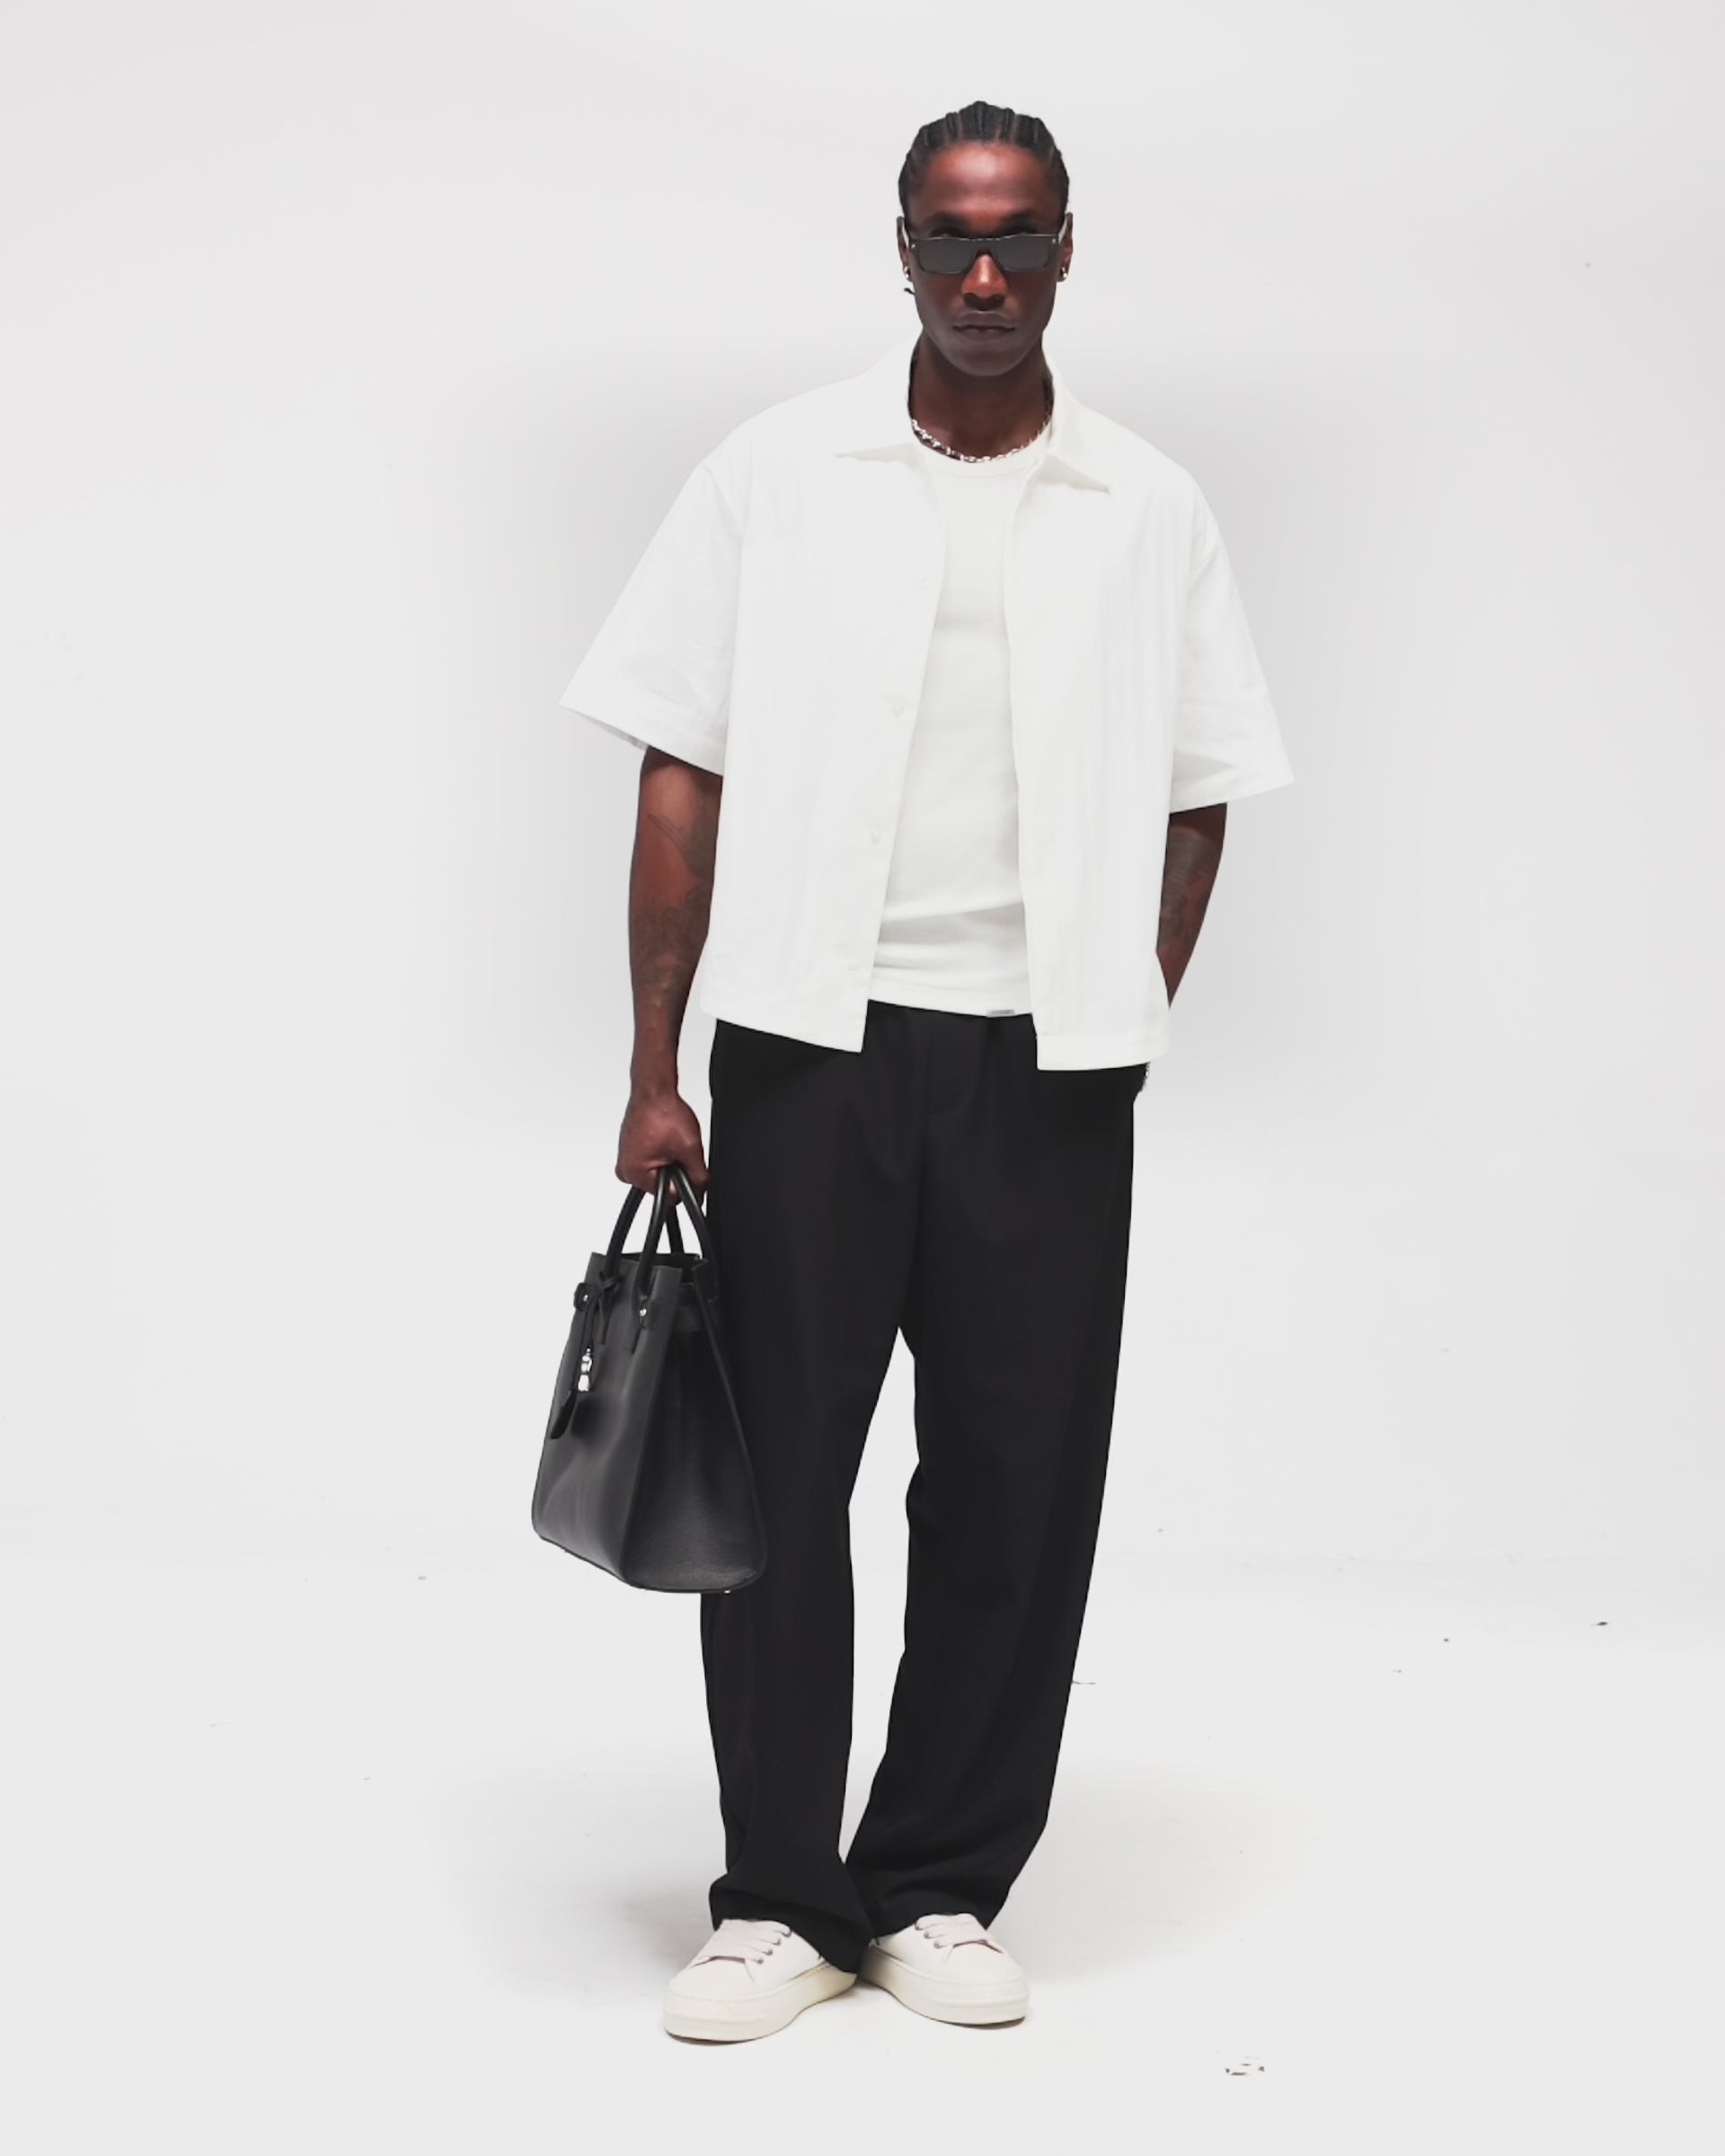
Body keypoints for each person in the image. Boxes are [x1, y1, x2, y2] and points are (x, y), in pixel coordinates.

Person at [558, 99, 1293, 2043]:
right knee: (776, 1484)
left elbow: (1204, 785)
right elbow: (680, 771)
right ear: (900, 249)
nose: (984, 274)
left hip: (1046, 1071)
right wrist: (655, 1063)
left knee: (1015, 1488)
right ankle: (780, 1900)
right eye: (951, 236)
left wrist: (1127, 1000)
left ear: (1067, 249)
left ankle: (938, 1882)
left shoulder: (1145, 503)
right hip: (808, 1051)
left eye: (1019, 236)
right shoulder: (777, 473)